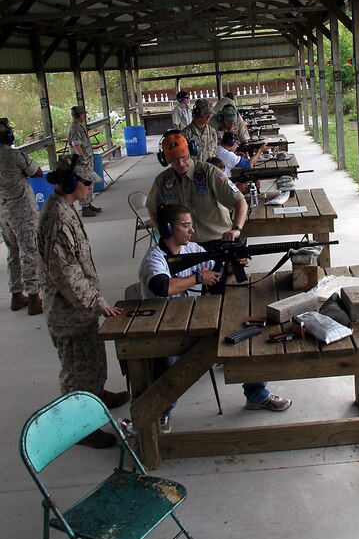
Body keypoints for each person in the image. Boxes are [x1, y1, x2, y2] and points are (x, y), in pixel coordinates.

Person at [146, 138, 292, 412]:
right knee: (181, 323)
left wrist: (236, 230)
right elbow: (152, 209)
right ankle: (160, 407)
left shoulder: (209, 173)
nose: (181, 163)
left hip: (217, 245)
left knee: (241, 315)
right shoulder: (162, 181)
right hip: (185, 254)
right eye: (175, 159)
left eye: (184, 157)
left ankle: (256, 392)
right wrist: (166, 236)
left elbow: (240, 202)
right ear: (166, 160)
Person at [37, 155, 130, 448]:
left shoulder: (66, 207)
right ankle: (79, 427)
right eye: (86, 181)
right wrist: (98, 302)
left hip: (81, 309)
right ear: (69, 183)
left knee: (92, 359)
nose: (90, 186)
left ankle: (96, 394)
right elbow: (66, 275)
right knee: (77, 370)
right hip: (68, 312)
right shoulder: (56, 219)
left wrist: (93, 302)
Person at [138, 203, 220, 433]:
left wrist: (233, 260)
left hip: (193, 321)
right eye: (185, 225)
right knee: (167, 360)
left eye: (191, 225)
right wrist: (198, 278)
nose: (191, 231)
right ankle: (161, 410)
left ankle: (257, 393)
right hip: (162, 328)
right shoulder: (154, 259)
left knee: (237, 334)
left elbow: (215, 266)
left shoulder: (191, 249)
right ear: (166, 229)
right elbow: (162, 286)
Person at [0, 117, 43, 315]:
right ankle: (34, 297)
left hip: (4, 213)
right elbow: (36, 172)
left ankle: (16, 294)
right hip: (22, 213)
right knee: (29, 252)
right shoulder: (14, 155)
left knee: (13, 253)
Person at [67, 105, 101, 217]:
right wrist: (82, 159)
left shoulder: (78, 127)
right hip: (83, 162)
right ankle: (85, 207)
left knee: (89, 182)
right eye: (82, 114)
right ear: (77, 116)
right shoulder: (74, 129)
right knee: (85, 183)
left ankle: (88, 203)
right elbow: (76, 146)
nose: (84, 116)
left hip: (87, 160)